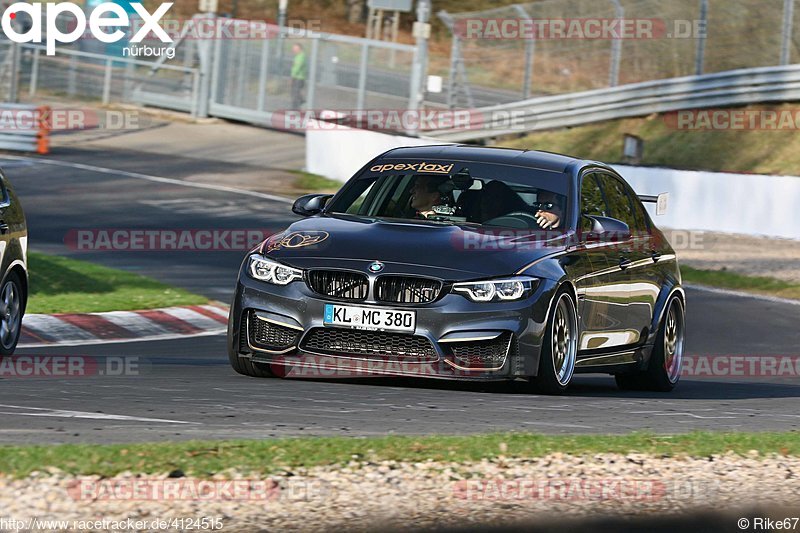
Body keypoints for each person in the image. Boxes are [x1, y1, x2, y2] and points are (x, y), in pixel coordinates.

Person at [290, 43, 307, 109]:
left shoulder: (301, 57)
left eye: (295, 49)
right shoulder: (298, 56)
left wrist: (292, 77)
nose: (293, 50)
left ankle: (295, 108)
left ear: (299, 49)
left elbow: (297, 67)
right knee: (295, 93)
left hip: (298, 78)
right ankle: (301, 103)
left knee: (295, 93)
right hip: (297, 77)